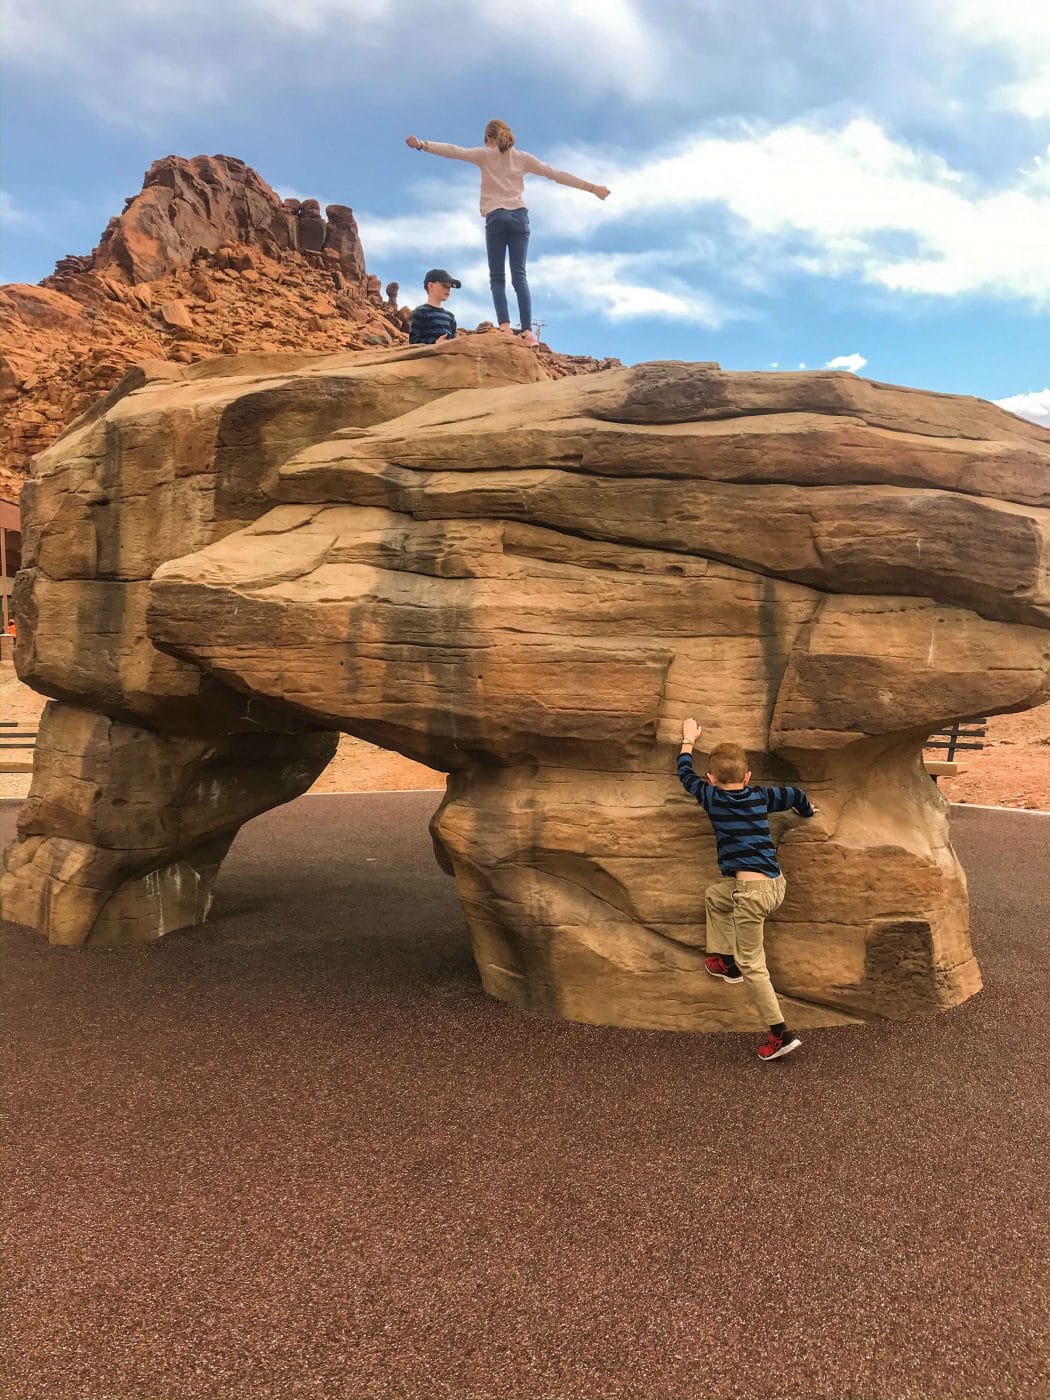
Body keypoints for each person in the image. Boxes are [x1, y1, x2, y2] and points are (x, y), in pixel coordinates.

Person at [677, 717, 816, 1061]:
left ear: (711, 779)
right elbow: (796, 795)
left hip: (752, 898)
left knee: (755, 964)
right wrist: (807, 811)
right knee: (715, 896)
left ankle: (780, 1033)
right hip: (773, 885)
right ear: (748, 776)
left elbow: (685, 775)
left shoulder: (709, 796)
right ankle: (725, 962)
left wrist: (688, 741)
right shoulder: (760, 796)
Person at [405, 120, 610, 346]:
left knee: (497, 278)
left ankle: (504, 326)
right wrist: (593, 188)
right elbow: (556, 174)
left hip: (496, 217)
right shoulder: (523, 158)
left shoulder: (485, 155)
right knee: (519, 276)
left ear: (489, 139)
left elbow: (454, 151)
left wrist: (423, 144)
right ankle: (526, 331)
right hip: (519, 218)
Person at [409, 268, 461, 346]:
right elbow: (413, 340)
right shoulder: (420, 311)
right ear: (431, 286)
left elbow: (453, 340)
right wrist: (434, 343)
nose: (448, 289)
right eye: (444, 285)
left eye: (450, 287)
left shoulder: (450, 316)